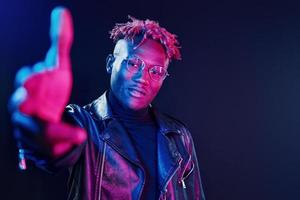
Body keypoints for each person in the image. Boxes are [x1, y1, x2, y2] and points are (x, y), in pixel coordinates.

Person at [9, 6, 206, 200]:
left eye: (156, 71)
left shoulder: (178, 136)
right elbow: (58, 145)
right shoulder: (85, 123)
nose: (143, 78)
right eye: (133, 63)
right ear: (110, 63)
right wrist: (41, 129)